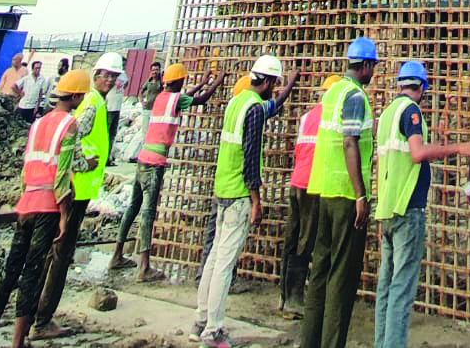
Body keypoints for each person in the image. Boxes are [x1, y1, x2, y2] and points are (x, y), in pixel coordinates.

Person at [0, 69, 93, 348]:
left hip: (26, 204)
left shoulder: (38, 124)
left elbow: (29, 167)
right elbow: (62, 174)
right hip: (47, 209)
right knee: (31, 273)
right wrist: (65, 217)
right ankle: (18, 341)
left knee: (10, 271)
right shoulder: (70, 124)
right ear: (76, 96)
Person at [374, 60, 470, 348]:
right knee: (401, 288)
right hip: (407, 208)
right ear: (421, 87)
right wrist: (458, 147)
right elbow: (417, 153)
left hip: (387, 207)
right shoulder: (411, 111)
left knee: (386, 287)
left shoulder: (386, 113)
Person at [195, 55, 297, 348]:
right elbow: (251, 156)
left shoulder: (237, 102)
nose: (273, 87)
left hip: (222, 189)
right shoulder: (252, 110)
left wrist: (289, 84)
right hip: (240, 193)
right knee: (225, 263)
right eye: (274, 83)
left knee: (214, 258)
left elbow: (273, 107)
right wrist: (256, 199)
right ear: (265, 82)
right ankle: (213, 331)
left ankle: (200, 320)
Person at [30, 51, 123, 340]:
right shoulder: (93, 102)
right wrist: (85, 164)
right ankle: (42, 320)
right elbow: (72, 138)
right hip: (75, 190)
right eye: (106, 75)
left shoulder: (96, 100)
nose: (109, 80)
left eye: (114, 76)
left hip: (72, 189)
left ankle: (36, 314)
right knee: (60, 254)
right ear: (95, 76)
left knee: (53, 253)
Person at [110, 62, 224, 282]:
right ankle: (144, 267)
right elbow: (199, 99)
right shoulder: (174, 99)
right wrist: (217, 81)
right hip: (155, 163)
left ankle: (116, 254)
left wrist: (204, 80)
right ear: (179, 81)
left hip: (143, 158)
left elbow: (186, 95)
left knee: (133, 208)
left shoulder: (163, 97)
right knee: (148, 213)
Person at [301, 38, 379, 348]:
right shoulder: (356, 96)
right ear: (366, 66)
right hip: (347, 197)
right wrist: (361, 194)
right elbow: (349, 142)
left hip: (324, 191)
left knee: (319, 271)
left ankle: (309, 341)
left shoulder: (332, 92)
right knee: (341, 278)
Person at [281, 74, 341, 316]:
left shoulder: (307, 116)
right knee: (306, 241)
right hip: (312, 184)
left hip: (296, 181)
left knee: (291, 237)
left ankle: (283, 296)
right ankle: (294, 300)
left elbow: (298, 149)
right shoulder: (333, 116)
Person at [16, 60, 50, 126]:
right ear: (32, 69)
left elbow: (40, 93)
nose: (38, 70)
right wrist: (20, 93)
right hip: (23, 106)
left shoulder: (42, 79)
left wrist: (37, 106)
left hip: (33, 107)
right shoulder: (26, 78)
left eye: (39, 68)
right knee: (19, 124)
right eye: (36, 68)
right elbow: (15, 86)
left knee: (30, 125)